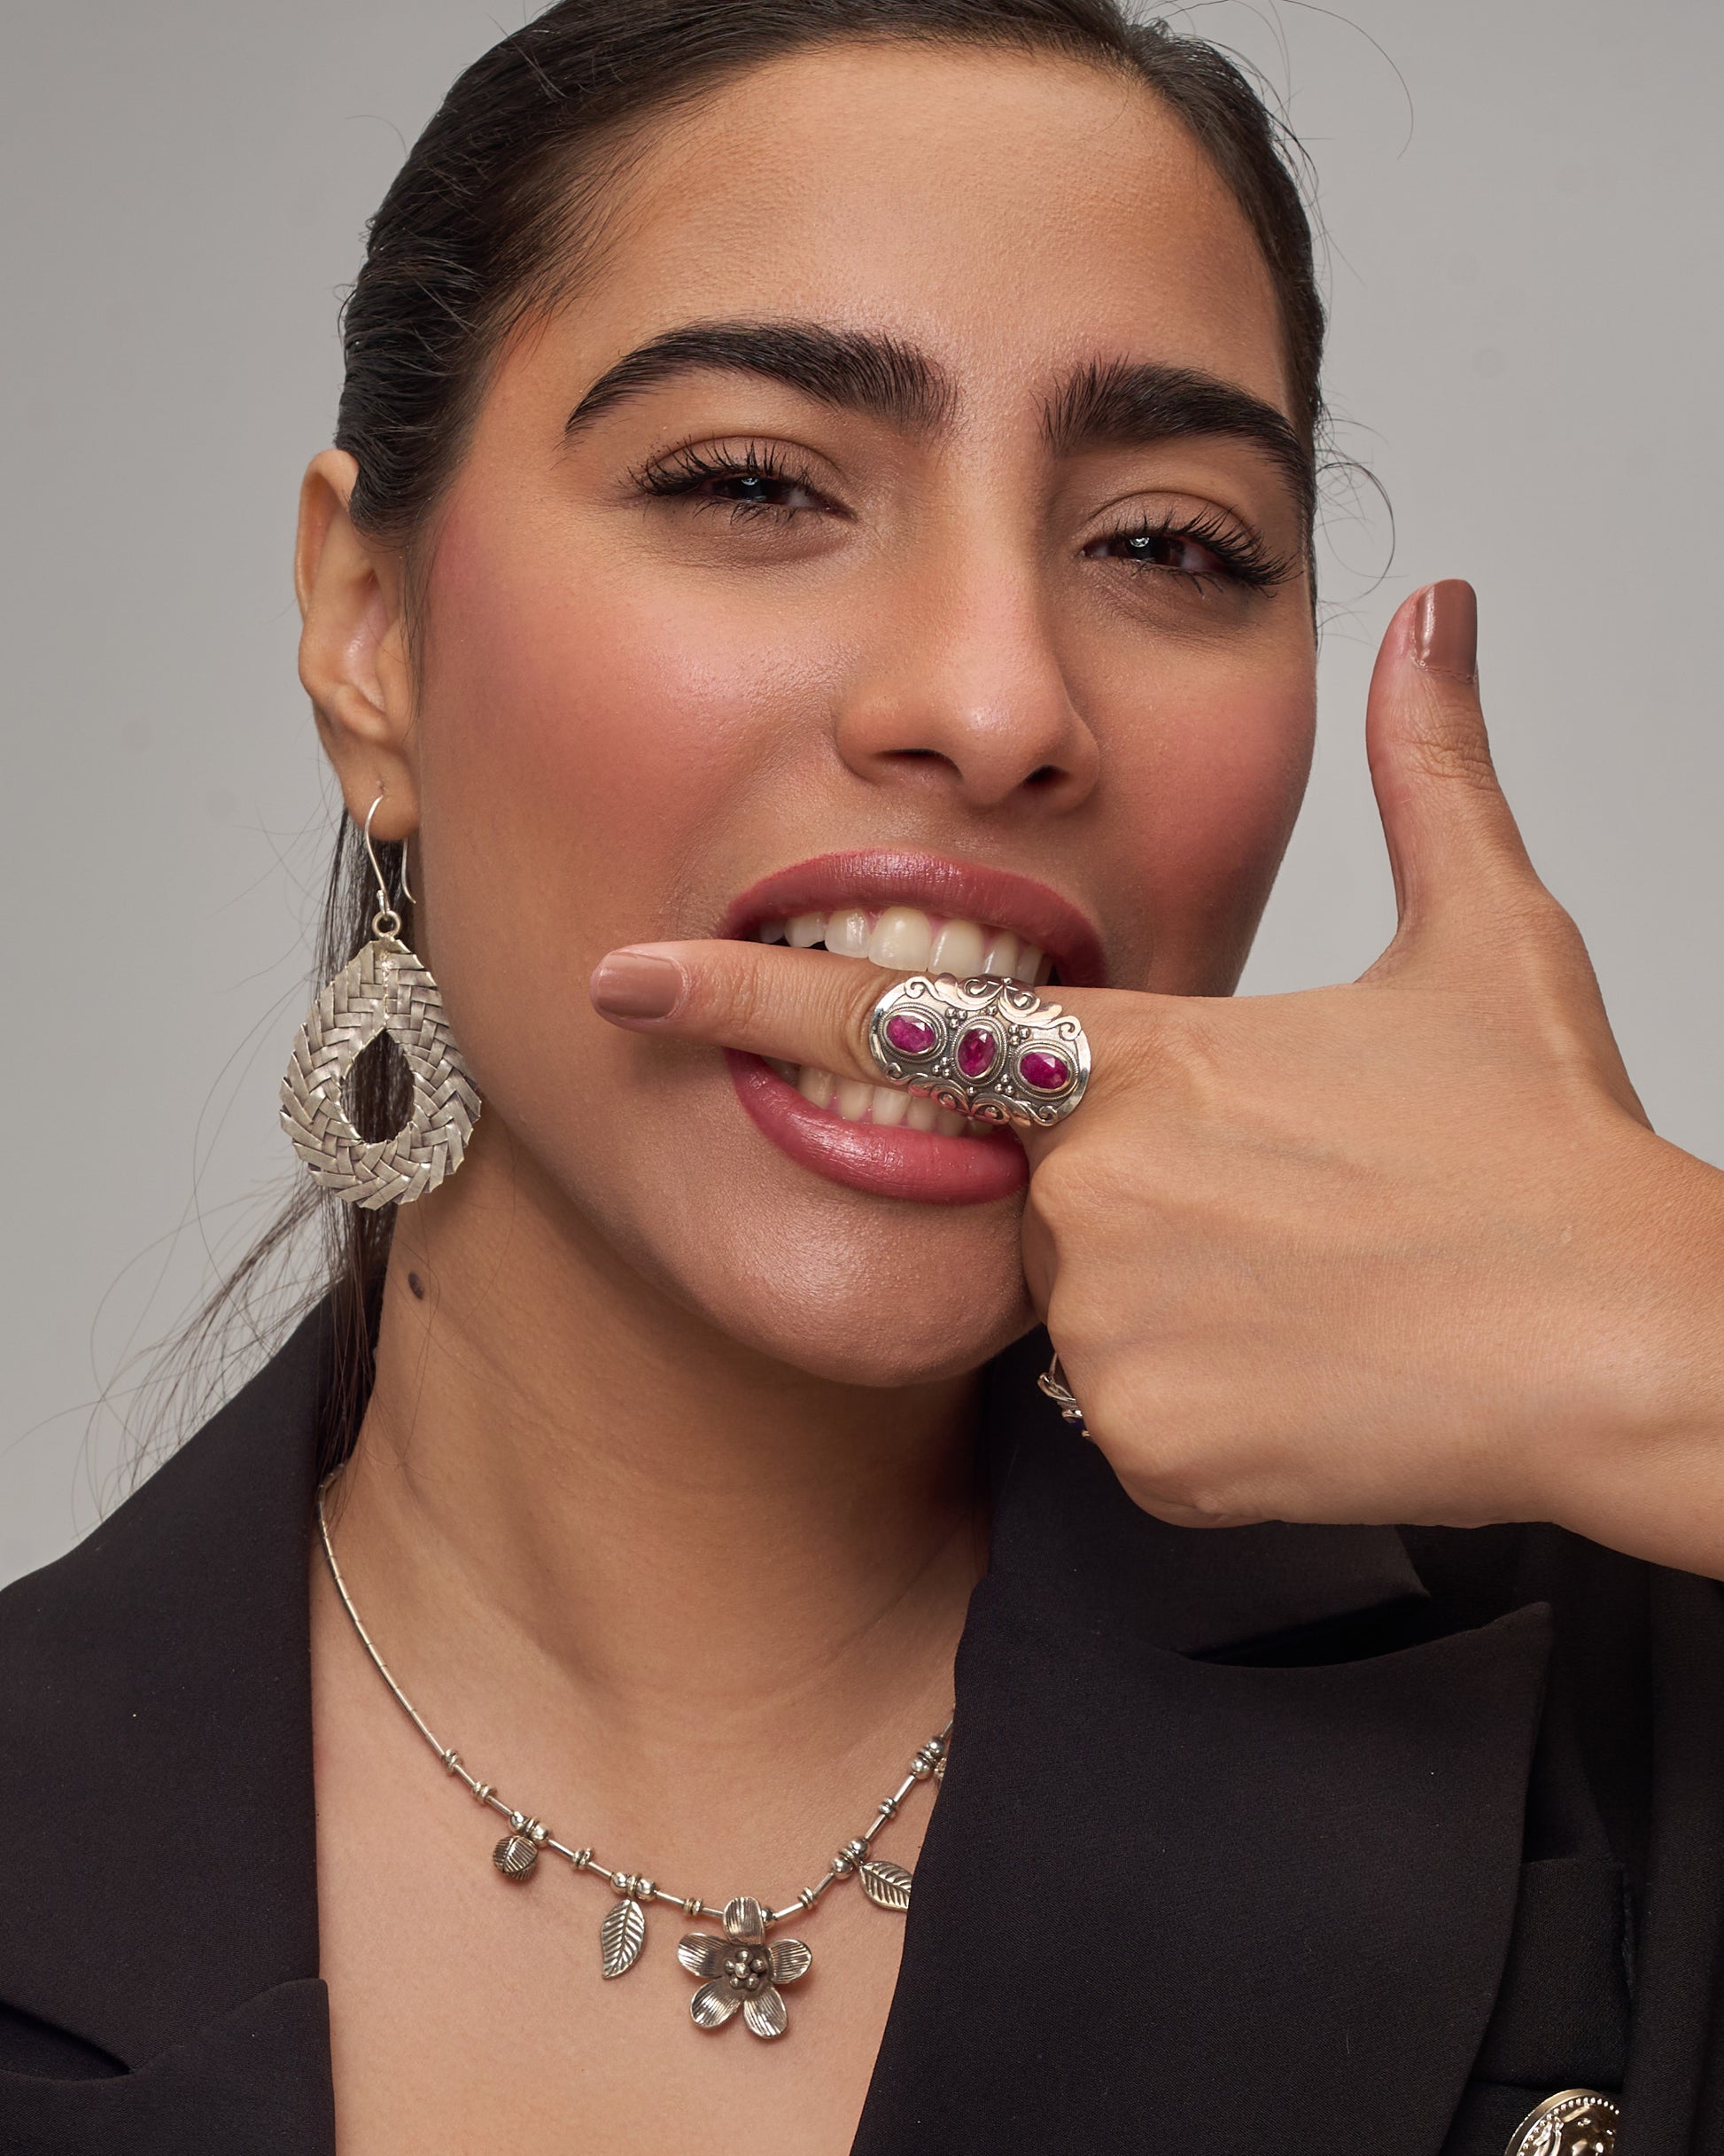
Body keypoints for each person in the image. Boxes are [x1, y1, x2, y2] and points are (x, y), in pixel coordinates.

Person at [3, 3, 1720, 2152]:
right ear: (371, 631)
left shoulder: (1640, 1706)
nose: (997, 704)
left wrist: (1682, 1335)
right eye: (751, 482)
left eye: (1167, 542)